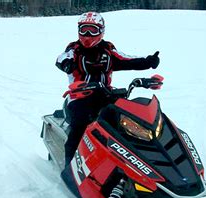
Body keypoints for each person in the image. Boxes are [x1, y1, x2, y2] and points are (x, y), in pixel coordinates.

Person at [56, 11, 160, 165]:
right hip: (79, 95)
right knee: (80, 123)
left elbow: (126, 59)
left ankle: (138, 158)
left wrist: (147, 62)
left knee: (128, 118)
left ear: (101, 31)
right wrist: (66, 65)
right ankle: (69, 164)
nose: (88, 34)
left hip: (105, 93)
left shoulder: (108, 49)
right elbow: (62, 58)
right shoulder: (74, 49)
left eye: (93, 30)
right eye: (84, 30)